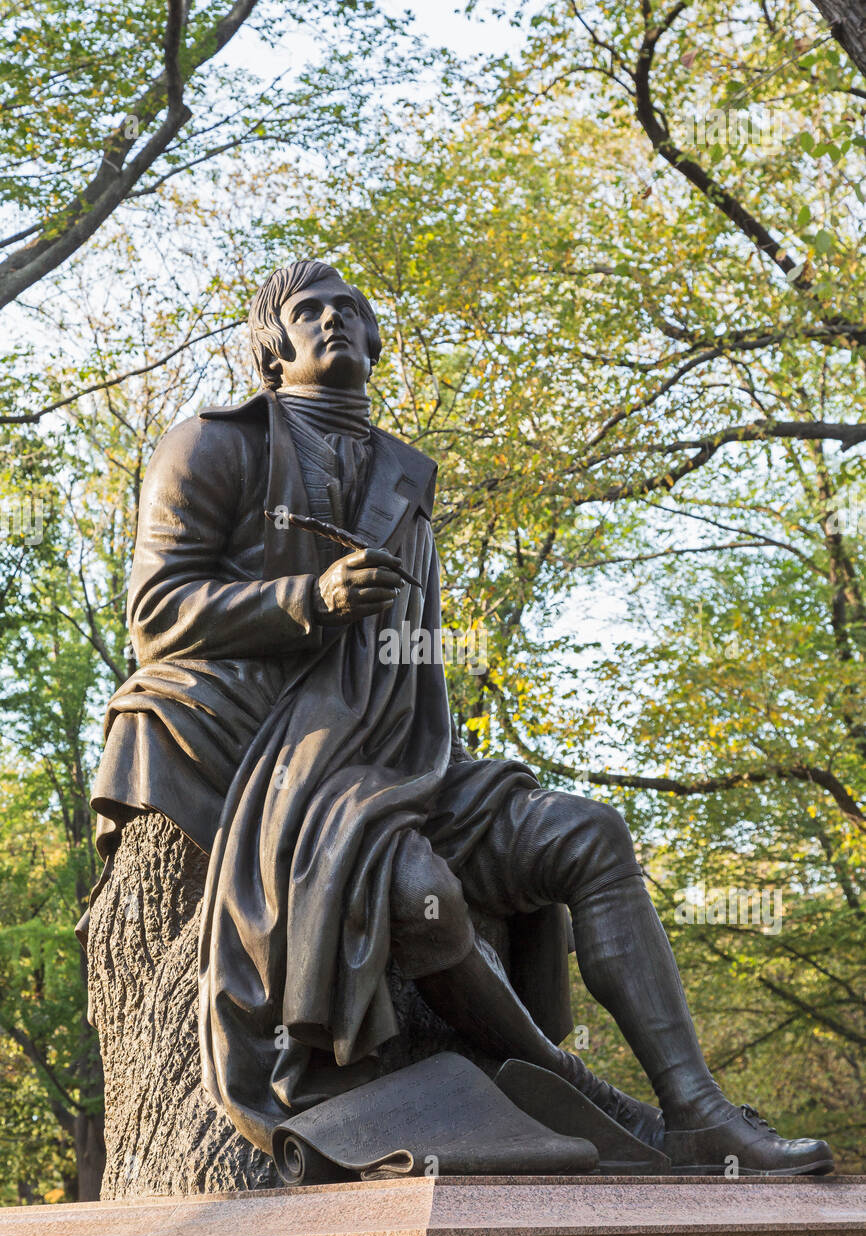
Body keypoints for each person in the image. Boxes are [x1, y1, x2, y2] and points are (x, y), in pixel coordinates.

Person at [86, 258, 832, 1176]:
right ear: (273, 350)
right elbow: (157, 611)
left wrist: (434, 766)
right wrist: (308, 595)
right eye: (308, 311)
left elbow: (412, 669)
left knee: (589, 833)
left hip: (391, 756)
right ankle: (572, 1086)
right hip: (254, 752)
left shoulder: (405, 480)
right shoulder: (212, 443)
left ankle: (698, 1110)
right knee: (420, 897)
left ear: (373, 338)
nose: (334, 322)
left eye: (350, 309)